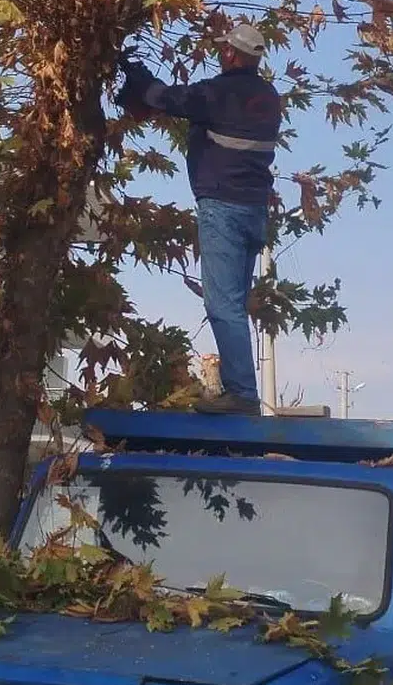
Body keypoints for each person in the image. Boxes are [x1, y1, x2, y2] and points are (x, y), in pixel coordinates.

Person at [118, 23, 281, 415]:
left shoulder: (219, 92)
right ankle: (239, 389)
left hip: (222, 206)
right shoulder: (268, 96)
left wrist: (140, 82)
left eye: (224, 48)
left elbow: (171, 98)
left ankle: (241, 395)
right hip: (254, 209)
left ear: (231, 54)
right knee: (234, 304)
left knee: (222, 304)